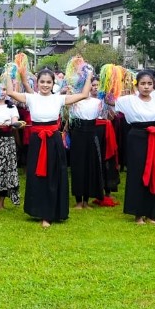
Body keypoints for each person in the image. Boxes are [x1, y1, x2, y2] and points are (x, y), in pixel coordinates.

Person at [7, 68, 91, 227]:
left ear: (53, 84)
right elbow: (10, 92)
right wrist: (9, 74)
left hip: (53, 140)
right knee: (36, 175)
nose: (45, 85)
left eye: (48, 82)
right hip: (37, 140)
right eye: (42, 82)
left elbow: (84, 94)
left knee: (54, 174)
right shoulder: (31, 98)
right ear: (37, 83)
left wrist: (89, 76)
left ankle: (52, 212)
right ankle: (38, 210)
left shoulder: (58, 98)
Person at [111, 70, 155, 224]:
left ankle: (152, 213)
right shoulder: (128, 100)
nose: (146, 87)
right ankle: (138, 214)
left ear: (154, 85)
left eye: (149, 83)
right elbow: (111, 101)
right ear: (137, 85)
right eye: (142, 83)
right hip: (137, 137)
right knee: (138, 173)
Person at [67, 76, 107, 209]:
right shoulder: (74, 101)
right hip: (78, 134)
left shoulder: (97, 102)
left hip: (91, 134)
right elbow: (68, 117)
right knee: (78, 166)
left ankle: (86, 200)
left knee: (90, 165)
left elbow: (106, 115)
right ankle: (78, 200)